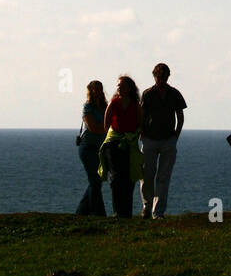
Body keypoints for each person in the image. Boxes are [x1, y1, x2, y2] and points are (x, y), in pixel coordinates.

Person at [140, 63, 187, 219]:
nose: (161, 79)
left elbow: (180, 117)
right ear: (154, 76)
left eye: (164, 77)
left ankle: (158, 212)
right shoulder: (147, 94)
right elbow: (141, 116)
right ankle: (147, 206)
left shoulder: (175, 94)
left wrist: (175, 136)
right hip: (149, 139)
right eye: (159, 76)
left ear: (168, 77)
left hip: (168, 140)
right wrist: (142, 133)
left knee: (163, 177)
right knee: (147, 175)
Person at [99, 76, 144, 217]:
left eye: (122, 85)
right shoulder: (113, 103)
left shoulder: (135, 104)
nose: (119, 88)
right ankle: (117, 211)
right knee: (116, 177)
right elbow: (106, 124)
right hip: (114, 143)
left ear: (129, 88)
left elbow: (141, 124)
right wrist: (115, 138)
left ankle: (126, 212)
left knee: (129, 178)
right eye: (118, 85)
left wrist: (131, 137)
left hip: (129, 143)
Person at [75, 80, 107, 216]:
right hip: (88, 148)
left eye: (99, 89)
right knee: (95, 180)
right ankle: (99, 214)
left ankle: (81, 213)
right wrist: (107, 128)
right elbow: (93, 128)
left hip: (100, 148)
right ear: (90, 91)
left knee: (96, 181)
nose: (97, 91)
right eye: (94, 89)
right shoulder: (87, 107)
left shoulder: (105, 106)